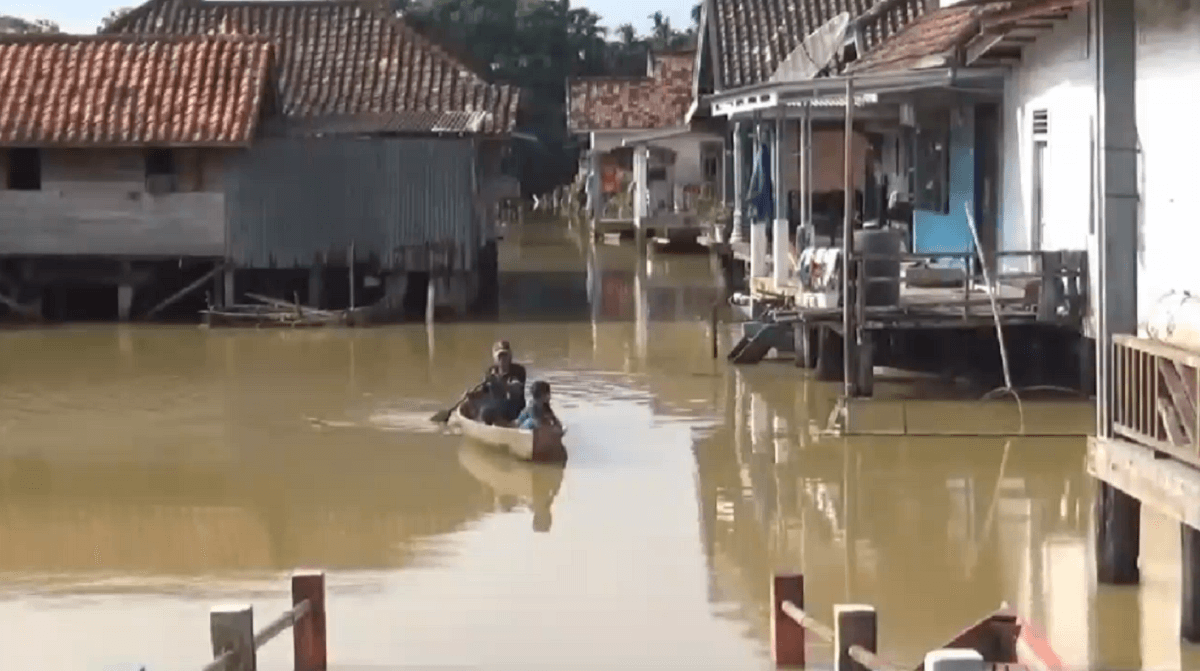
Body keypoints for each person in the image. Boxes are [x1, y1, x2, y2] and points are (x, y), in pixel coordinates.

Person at [478, 340, 526, 425]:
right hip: (497, 407)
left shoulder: (519, 371)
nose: (503, 360)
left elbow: (517, 389)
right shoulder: (489, 372)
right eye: (500, 357)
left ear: (510, 357)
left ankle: (505, 423)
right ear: (495, 358)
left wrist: (499, 380)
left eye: (505, 356)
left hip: (515, 408)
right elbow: (484, 392)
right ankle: (497, 423)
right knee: (484, 411)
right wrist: (472, 395)